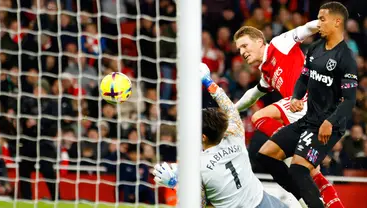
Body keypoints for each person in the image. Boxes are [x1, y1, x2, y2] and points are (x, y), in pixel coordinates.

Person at [233, 14, 344, 208]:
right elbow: (253, 95)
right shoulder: (266, 71)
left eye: (245, 45)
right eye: (239, 49)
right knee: (312, 172)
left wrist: (325, 23)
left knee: (258, 117)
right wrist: (231, 109)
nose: (242, 52)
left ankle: (287, 147)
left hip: (308, 101)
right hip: (304, 113)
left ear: (260, 41)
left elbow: (305, 30)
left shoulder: (279, 43)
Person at [257, 2, 357, 207]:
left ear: (337, 22)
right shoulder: (314, 48)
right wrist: (295, 97)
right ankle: (306, 200)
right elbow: (303, 79)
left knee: (298, 169)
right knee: (265, 155)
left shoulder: (346, 57)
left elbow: (350, 100)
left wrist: (330, 122)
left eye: (322, 19)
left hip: (328, 126)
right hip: (308, 120)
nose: (318, 23)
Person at [153, 63, 288, 208]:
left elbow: (198, 204)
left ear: (203, 137)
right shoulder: (235, 135)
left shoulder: (199, 166)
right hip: (266, 202)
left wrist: (174, 184)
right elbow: (230, 109)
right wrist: (209, 82)